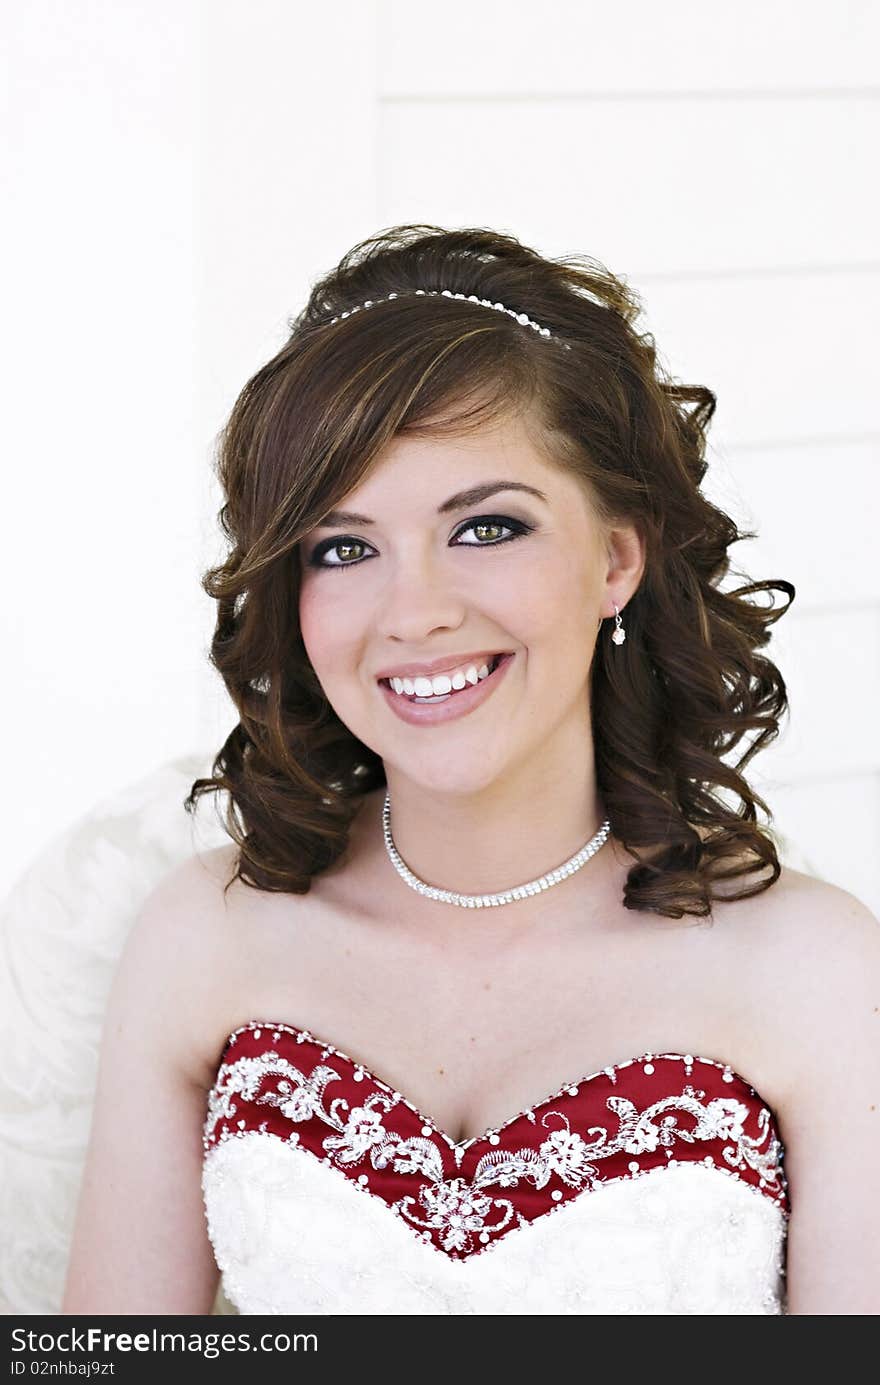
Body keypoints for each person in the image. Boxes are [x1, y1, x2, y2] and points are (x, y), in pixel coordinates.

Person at [62, 225, 879, 1316]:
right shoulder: (201, 936)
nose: (417, 613)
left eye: (487, 526)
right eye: (342, 548)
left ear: (614, 558)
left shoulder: (814, 969)